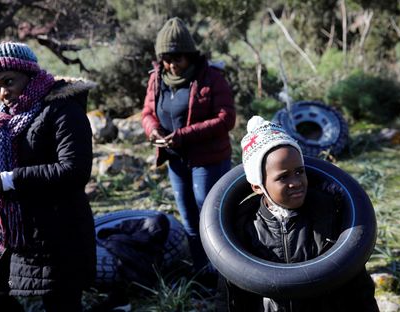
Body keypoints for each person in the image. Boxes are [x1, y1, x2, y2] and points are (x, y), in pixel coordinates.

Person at [0, 41, 96, 312]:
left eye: (8, 81)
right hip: (30, 233)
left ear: (30, 73)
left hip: (61, 231)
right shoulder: (8, 118)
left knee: (63, 304)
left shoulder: (62, 108)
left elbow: (75, 170)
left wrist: (11, 180)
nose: (2, 93)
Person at [224, 116, 379, 311]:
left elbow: (357, 286)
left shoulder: (330, 213)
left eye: (299, 171)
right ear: (257, 186)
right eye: (283, 177)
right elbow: (234, 296)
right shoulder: (244, 225)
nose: (296, 182)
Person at [141, 17, 236, 280]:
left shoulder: (211, 78)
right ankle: (202, 272)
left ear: (191, 56)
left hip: (208, 159)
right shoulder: (157, 79)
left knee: (211, 215)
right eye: (167, 59)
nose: (173, 65)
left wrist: (183, 135)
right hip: (176, 160)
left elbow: (226, 117)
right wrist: (153, 130)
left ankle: (226, 273)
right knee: (189, 217)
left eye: (178, 58)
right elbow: (148, 111)